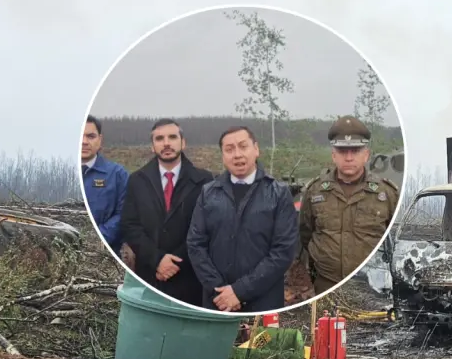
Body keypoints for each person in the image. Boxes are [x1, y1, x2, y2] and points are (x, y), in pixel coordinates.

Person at [185, 126, 298, 313]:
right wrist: (219, 291)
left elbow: (282, 252)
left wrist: (239, 291)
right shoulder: (209, 193)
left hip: (264, 302)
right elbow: (195, 244)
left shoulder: (278, 193)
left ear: (256, 149)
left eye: (243, 147)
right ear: (222, 155)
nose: (237, 155)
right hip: (217, 302)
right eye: (229, 149)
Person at [298, 115, 400, 294]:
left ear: (366, 155)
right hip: (326, 283)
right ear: (334, 155)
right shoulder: (315, 191)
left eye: (355, 150)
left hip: (371, 285)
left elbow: (394, 238)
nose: (349, 157)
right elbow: (305, 233)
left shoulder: (387, 194)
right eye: (343, 151)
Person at [120, 119, 214, 306]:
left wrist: (175, 263)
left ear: (183, 142)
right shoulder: (137, 181)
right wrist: (157, 260)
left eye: (172, 137)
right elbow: (130, 226)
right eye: (159, 138)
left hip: (190, 277)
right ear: (153, 146)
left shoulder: (204, 181)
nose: (166, 143)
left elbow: (207, 227)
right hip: (149, 276)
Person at [81, 115, 129, 255]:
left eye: (90, 136)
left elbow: (124, 213)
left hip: (106, 255)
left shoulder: (117, 175)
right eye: (81, 136)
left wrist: (100, 238)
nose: (84, 142)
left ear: (100, 140)